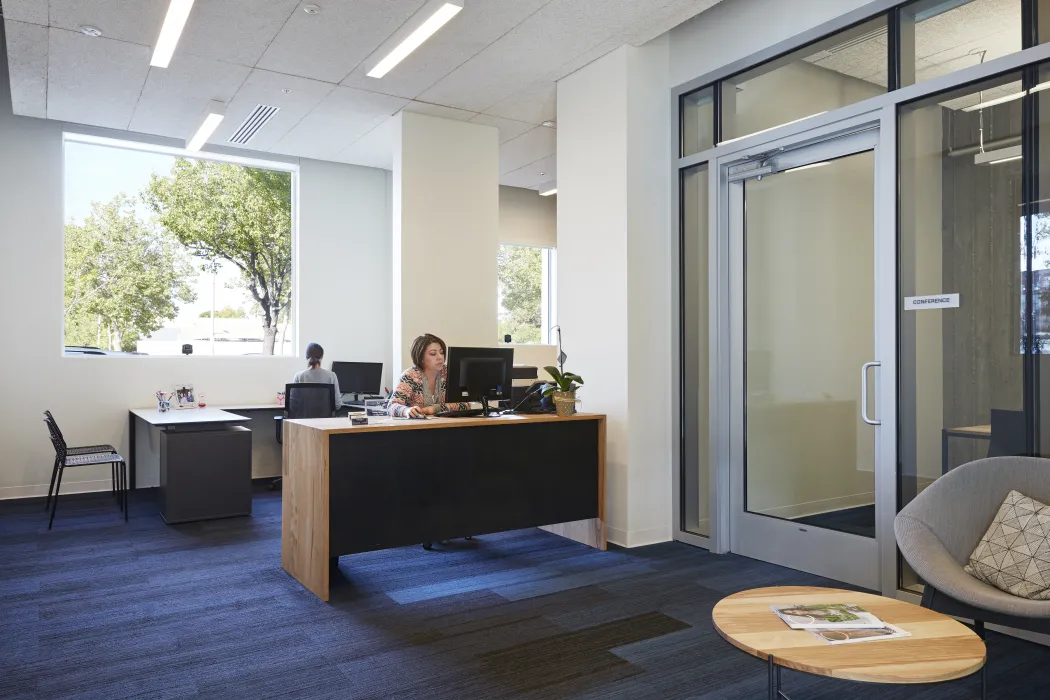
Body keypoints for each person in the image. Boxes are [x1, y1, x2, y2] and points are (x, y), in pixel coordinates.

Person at [388, 333, 469, 418]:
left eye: (441, 352)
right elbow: (392, 406)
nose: (440, 357)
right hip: (416, 428)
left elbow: (466, 405)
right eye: (433, 354)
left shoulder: (449, 373)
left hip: (448, 425)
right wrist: (406, 411)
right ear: (421, 358)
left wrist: (433, 409)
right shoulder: (410, 376)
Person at [292, 342, 342, 412]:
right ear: (321, 357)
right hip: (326, 421)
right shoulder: (331, 376)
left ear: (306, 357)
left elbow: (293, 405)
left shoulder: (298, 376)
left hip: (303, 421)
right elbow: (337, 404)